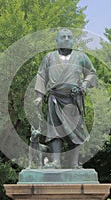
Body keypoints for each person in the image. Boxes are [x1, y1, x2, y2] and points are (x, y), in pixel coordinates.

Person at [34, 28, 96, 168]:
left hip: (74, 99)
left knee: (76, 131)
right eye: (63, 37)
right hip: (55, 98)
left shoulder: (81, 57)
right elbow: (41, 76)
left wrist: (85, 84)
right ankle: (56, 162)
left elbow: (91, 73)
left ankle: (74, 163)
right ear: (56, 41)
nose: (66, 39)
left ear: (73, 40)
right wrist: (39, 96)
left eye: (69, 37)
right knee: (55, 131)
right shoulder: (49, 57)